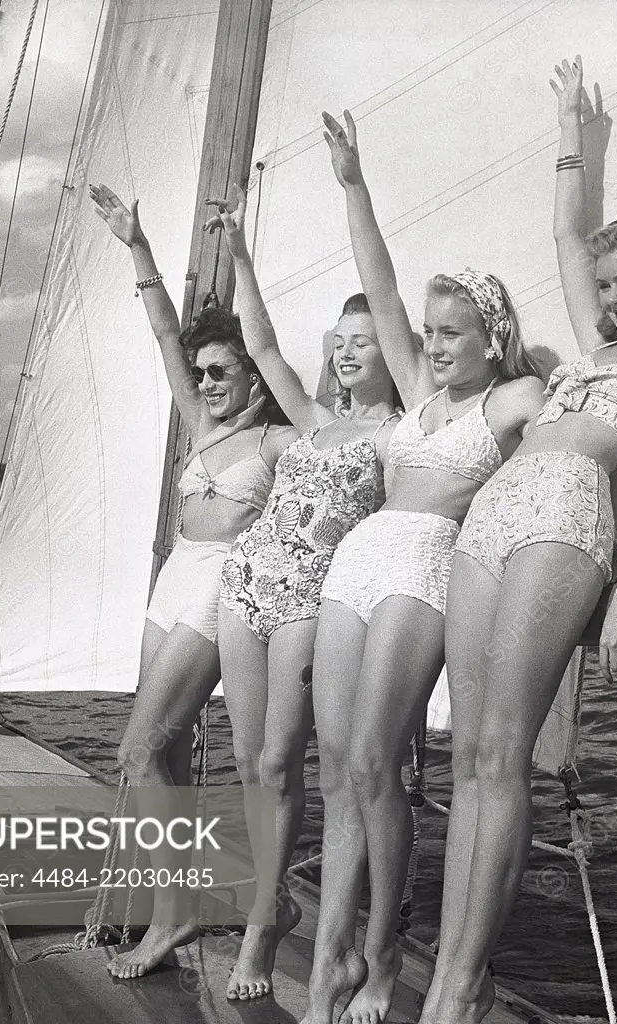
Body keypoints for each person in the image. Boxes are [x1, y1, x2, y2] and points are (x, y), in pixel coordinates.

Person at [421, 57, 617, 1024]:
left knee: (502, 752)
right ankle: (442, 979)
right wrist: (568, 136)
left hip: (566, 515)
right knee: (467, 752)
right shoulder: (592, 350)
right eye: (600, 284)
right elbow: (564, 230)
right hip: (492, 516)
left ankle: (462, 988)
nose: (608, 295)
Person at [301, 111, 545, 1024]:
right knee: (337, 769)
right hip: (356, 564)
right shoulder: (417, 391)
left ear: (489, 334)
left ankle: (378, 961)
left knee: (375, 765)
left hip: (422, 567)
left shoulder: (517, 396)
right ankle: (328, 959)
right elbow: (380, 285)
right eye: (429, 333)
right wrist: (351, 180)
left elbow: (581, 440)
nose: (432, 345)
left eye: (451, 333)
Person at [88, 183, 297, 979]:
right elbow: (162, 333)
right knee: (163, 757)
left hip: (219, 586)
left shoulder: (276, 445)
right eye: (202, 370)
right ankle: (176, 908)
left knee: (135, 750)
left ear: (253, 374)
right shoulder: (200, 423)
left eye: (222, 370)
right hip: (171, 579)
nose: (205, 380)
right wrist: (136, 244)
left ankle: (172, 918)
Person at [203, 185, 402, 1001]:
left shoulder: (401, 435)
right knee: (251, 763)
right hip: (245, 581)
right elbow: (262, 342)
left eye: (366, 339)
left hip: (308, 602)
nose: (350, 351)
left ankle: (258, 931)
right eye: (342, 340)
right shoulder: (311, 418)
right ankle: (272, 899)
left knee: (282, 762)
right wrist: (241, 255)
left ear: (392, 349)